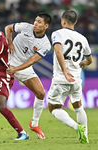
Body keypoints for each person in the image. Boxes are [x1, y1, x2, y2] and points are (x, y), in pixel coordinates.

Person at [48, 10, 93, 144]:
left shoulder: (57, 33)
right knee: (78, 106)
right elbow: (89, 60)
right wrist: (83, 62)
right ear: (75, 22)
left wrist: (64, 70)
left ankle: (76, 127)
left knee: (54, 108)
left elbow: (57, 50)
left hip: (61, 77)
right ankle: (84, 135)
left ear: (63, 21)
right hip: (76, 79)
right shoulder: (82, 38)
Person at [5, 13, 52, 139]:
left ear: (46, 26)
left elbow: (32, 61)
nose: (36, 23)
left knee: (41, 93)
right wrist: (10, 42)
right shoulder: (26, 27)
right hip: (9, 60)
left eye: (40, 22)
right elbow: (8, 28)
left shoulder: (46, 44)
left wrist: (15, 70)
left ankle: (34, 124)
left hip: (23, 66)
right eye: (36, 20)